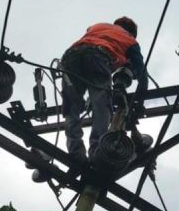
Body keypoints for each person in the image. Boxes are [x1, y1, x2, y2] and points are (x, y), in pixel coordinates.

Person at [60, 17, 148, 161]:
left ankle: (76, 153)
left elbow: (89, 39)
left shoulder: (97, 26)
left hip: (70, 56)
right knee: (102, 105)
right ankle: (98, 150)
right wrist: (139, 104)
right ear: (131, 32)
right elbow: (142, 74)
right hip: (97, 57)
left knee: (71, 107)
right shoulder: (130, 40)